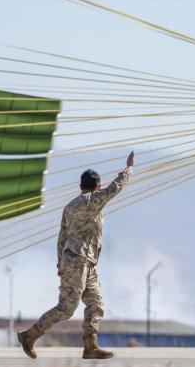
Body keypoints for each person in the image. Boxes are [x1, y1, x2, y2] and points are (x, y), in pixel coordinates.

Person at [18, 151, 135, 359]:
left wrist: (59, 263)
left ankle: (90, 346)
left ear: (80, 186)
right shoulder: (92, 201)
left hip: (85, 263)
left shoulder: (70, 206)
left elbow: (61, 237)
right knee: (66, 308)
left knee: (96, 304)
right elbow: (114, 189)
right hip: (78, 261)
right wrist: (128, 170)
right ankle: (30, 335)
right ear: (96, 187)